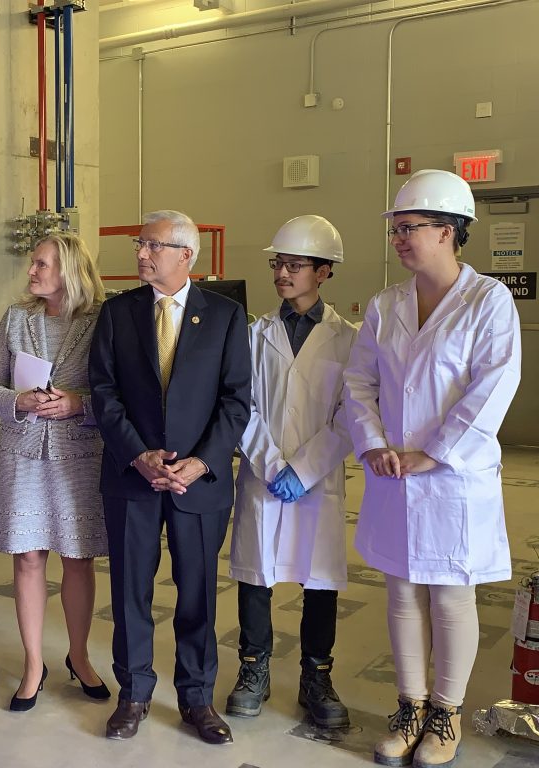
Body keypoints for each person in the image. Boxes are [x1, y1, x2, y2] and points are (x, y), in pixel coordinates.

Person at [343, 170, 521, 768]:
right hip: (393, 473)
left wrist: (434, 453)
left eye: (408, 228)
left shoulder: (487, 300)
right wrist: (371, 443)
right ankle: (410, 706)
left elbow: (494, 387)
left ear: (448, 231)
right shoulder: (386, 303)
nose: (397, 238)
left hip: (452, 478)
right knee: (400, 590)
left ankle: (446, 713)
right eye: (395, 229)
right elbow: (358, 380)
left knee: (449, 593)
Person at [89, 210, 251, 744]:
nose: (139, 253)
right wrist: (138, 455)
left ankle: (197, 698)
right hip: (134, 477)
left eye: (151, 245)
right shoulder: (118, 314)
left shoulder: (225, 316)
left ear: (186, 255)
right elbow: (104, 393)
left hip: (197, 483)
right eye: (139, 243)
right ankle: (133, 694)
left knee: (197, 593)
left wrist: (201, 462)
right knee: (131, 590)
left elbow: (236, 402)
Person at [227, 215, 356, 729]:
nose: (282, 272)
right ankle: (253, 670)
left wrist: (305, 469)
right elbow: (241, 405)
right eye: (277, 262)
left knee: (319, 580)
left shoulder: (350, 338)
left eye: (294, 264)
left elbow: (353, 413)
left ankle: (316, 675)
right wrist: (272, 463)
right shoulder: (254, 334)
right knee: (256, 575)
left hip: (319, 480)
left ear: (324, 271)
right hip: (264, 474)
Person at [0, 232, 109, 712]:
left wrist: (79, 403)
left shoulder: (101, 322)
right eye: (33, 264)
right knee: (28, 558)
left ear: (70, 270)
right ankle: (35, 664)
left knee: (78, 558)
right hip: (24, 454)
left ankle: (78, 655)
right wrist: (20, 401)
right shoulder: (17, 318)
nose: (32, 272)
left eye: (41, 264)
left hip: (80, 454)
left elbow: (117, 395)